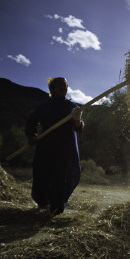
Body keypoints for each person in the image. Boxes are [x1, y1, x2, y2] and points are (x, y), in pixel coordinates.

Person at [25, 77, 83, 216]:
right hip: (46, 146)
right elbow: (31, 120)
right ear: (52, 89)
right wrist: (31, 135)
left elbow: (79, 128)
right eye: (60, 86)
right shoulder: (44, 106)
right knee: (42, 174)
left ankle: (56, 208)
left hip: (66, 147)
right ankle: (43, 203)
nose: (63, 88)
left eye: (65, 86)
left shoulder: (72, 107)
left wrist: (77, 120)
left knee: (61, 177)